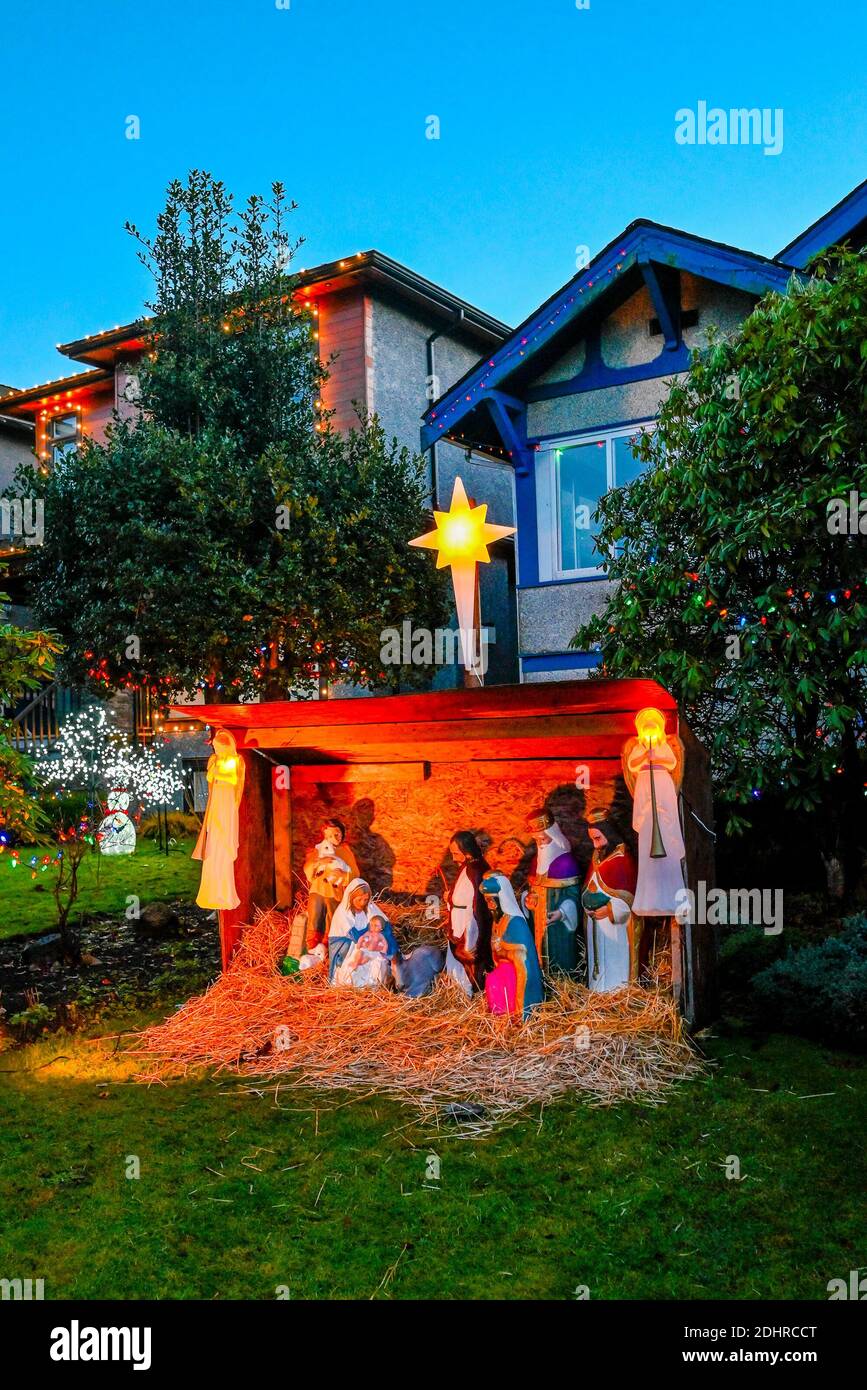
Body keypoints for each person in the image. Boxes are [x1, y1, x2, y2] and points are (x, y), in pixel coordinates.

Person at [622, 708, 686, 916]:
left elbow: (673, 762)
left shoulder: (663, 745)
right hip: (644, 784)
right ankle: (649, 897)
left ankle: (672, 895)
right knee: (648, 839)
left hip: (661, 783)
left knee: (666, 839)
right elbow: (631, 765)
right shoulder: (638, 747)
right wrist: (644, 757)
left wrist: (656, 756)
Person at [583, 812, 640, 992]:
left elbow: (629, 900)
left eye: (598, 838)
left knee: (615, 959)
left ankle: (617, 991)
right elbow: (589, 887)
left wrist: (609, 910)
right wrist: (587, 907)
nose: (595, 845)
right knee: (599, 958)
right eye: (592, 839)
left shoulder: (623, 860)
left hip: (617, 929)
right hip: (596, 925)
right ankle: (598, 991)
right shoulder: (596, 858)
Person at [522, 808, 582, 975]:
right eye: (536, 840)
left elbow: (575, 896)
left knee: (560, 956)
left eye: (543, 839)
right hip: (538, 924)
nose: (540, 844)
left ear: (553, 834)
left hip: (559, 927)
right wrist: (527, 900)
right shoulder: (537, 861)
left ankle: (562, 980)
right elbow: (531, 889)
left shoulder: (566, 863)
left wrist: (562, 913)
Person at [192, 730, 245, 910]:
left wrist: (217, 773)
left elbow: (232, 779)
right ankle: (211, 891)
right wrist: (213, 771)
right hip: (216, 802)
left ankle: (225, 893)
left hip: (226, 801)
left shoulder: (234, 761)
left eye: (217, 746)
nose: (215, 749)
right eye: (214, 746)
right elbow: (209, 778)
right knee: (213, 842)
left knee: (223, 841)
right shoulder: (214, 760)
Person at [480, 873, 544, 1021]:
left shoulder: (516, 922)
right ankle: (500, 1016)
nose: (489, 905)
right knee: (492, 980)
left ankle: (511, 1014)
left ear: (501, 899)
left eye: (492, 900)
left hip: (517, 973)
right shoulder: (497, 920)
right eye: (487, 901)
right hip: (503, 969)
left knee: (495, 982)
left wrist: (502, 950)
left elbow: (522, 955)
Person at [443, 831, 494, 996]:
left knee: (469, 956)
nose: (453, 858)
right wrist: (450, 897)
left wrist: (474, 935)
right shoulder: (467, 867)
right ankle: (458, 988)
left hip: (469, 922)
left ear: (467, 851)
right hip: (459, 920)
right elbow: (461, 894)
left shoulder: (477, 870)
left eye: (456, 854)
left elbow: (478, 906)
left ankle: (471, 990)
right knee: (456, 954)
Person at [328, 877, 397, 988]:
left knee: (378, 959)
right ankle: (357, 985)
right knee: (357, 960)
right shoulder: (343, 913)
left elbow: (384, 924)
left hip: (370, 942)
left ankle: (376, 984)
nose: (362, 903)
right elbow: (355, 936)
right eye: (359, 900)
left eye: (365, 899)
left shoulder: (370, 907)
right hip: (349, 947)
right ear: (351, 898)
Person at [304, 818, 359, 949]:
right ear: (324, 836)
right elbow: (308, 868)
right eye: (329, 835)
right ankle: (312, 944)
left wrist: (344, 875)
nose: (334, 838)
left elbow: (355, 873)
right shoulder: (318, 850)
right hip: (318, 889)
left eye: (337, 834)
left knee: (332, 916)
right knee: (315, 914)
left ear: (342, 833)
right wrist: (319, 863)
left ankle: (329, 944)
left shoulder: (346, 852)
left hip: (335, 892)